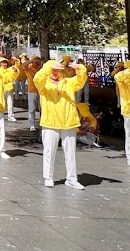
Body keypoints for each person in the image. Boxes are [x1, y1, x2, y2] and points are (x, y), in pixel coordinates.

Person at [34, 59, 87, 189]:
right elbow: (37, 78)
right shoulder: (43, 85)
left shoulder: (68, 83)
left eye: (58, 70)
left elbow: (81, 80)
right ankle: (48, 177)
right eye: (54, 70)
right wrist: (49, 66)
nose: (56, 72)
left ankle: (72, 179)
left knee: (70, 152)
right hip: (50, 122)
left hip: (69, 122)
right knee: (49, 151)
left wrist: (80, 68)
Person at [0, 57, 21, 122]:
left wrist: (15, 70)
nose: (4, 64)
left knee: (10, 102)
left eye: (5, 62)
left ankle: (10, 116)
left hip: (8, 88)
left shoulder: (9, 69)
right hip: (0, 88)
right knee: (0, 102)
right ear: (0, 63)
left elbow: (15, 71)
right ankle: (0, 115)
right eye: (2, 62)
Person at [23, 57, 43, 131]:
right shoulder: (29, 69)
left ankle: (42, 123)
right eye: (36, 62)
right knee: (32, 109)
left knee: (42, 108)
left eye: (38, 63)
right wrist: (31, 61)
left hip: (41, 91)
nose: (37, 64)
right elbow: (23, 65)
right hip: (32, 91)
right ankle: (32, 125)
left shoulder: (41, 70)